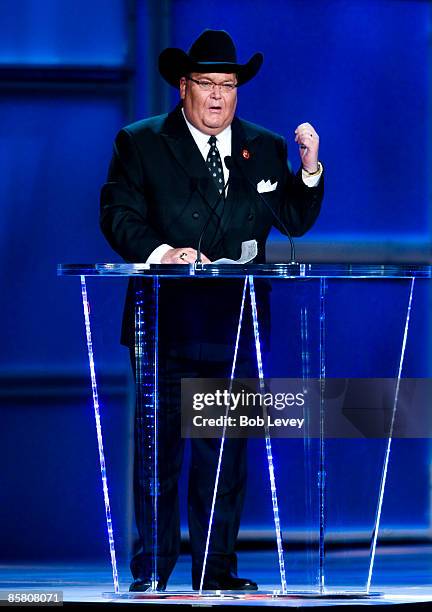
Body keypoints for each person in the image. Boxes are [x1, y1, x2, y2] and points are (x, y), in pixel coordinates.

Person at [100, 29, 324, 592]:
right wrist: (163, 253)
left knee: (224, 458)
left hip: (236, 325)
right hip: (165, 322)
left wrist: (311, 168)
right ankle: (152, 570)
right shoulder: (141, 142)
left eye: (228, 85)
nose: (219, 96)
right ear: (184, 87)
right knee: (159, 455)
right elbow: (118, 215)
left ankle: (215, 572)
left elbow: (294, 220)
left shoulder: (265, 148)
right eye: (207, 84)